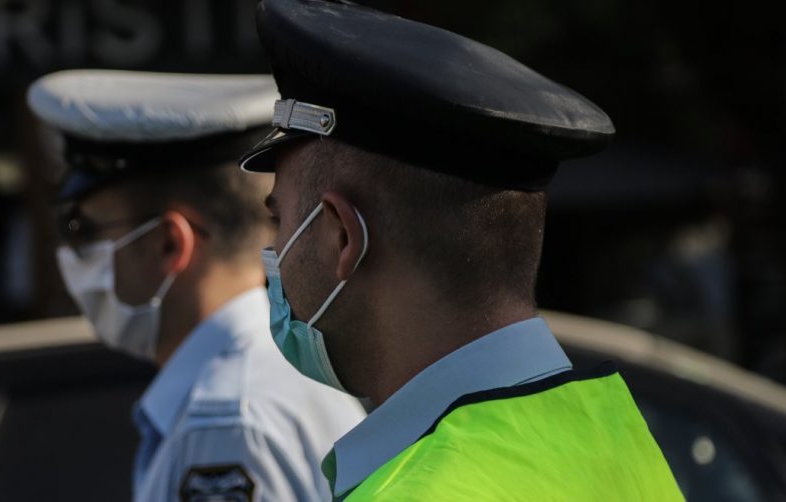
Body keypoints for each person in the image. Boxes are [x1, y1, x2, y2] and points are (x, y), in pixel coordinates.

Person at [238, 1, 683, 500]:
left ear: (343, 236)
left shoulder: (413, 492)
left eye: (279, 220)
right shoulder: (609, 436)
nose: (272, 250)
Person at [28, 70, 365, 502]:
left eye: (83, 230)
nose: (71, 253)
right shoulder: (287, 377)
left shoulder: (226, 423)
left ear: (170, 243)